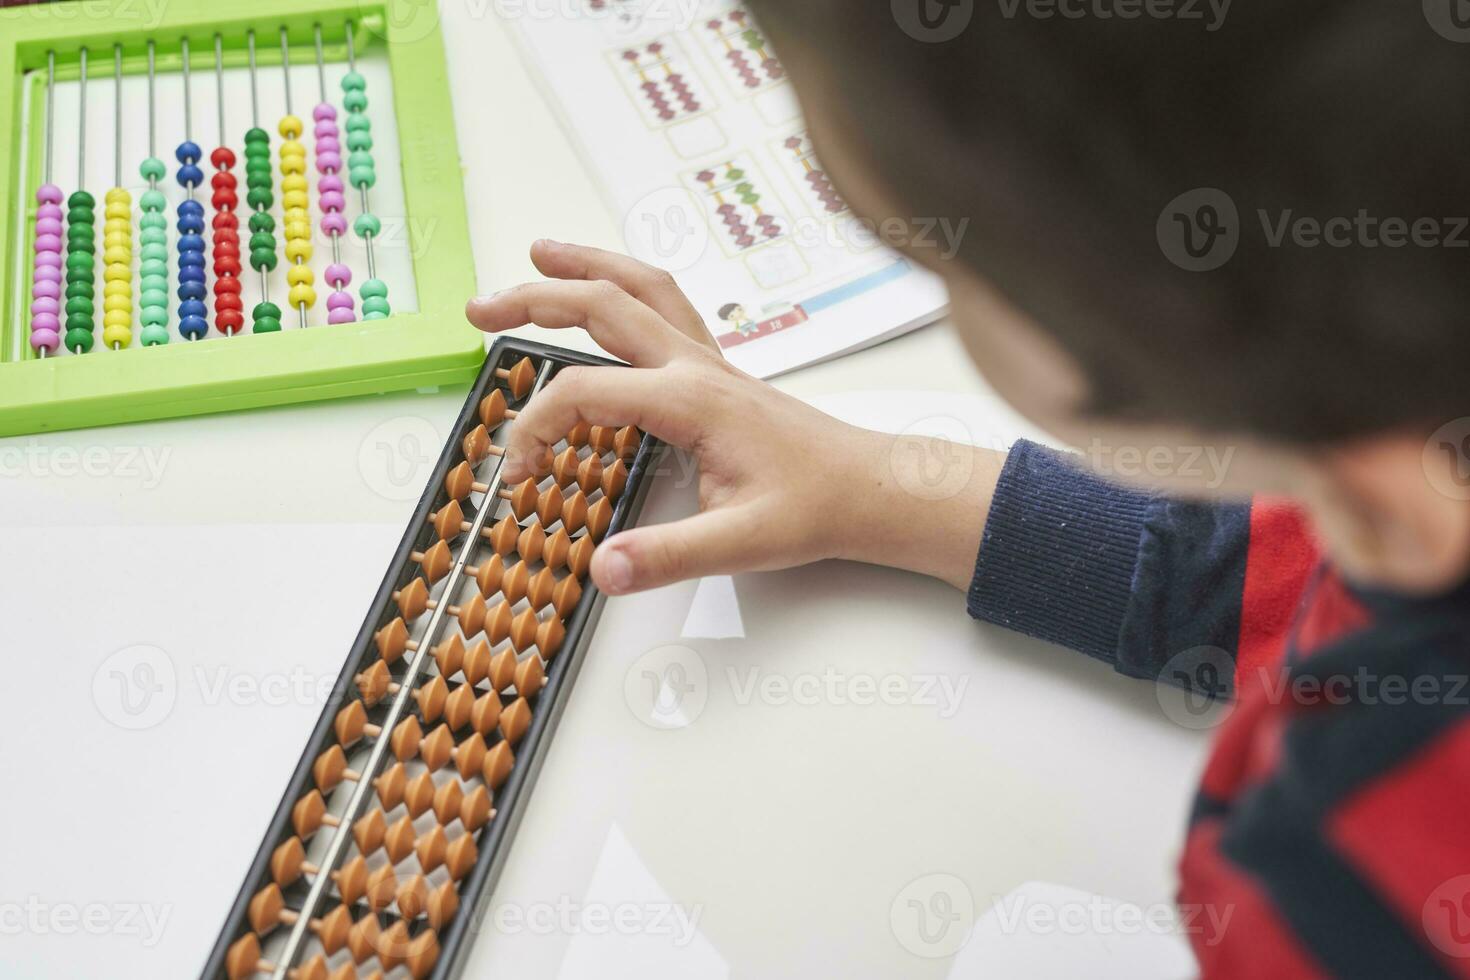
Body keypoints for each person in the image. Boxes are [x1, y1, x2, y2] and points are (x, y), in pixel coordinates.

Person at [466, 4, 1470, 975]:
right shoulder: (1413, 466)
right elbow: (1271, 571)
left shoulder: (1343, 892)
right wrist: (874, 482)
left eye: (947, 266)